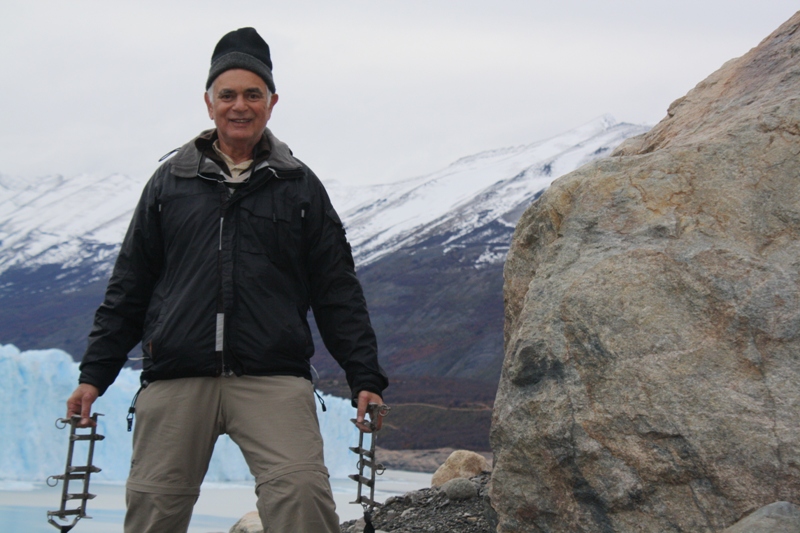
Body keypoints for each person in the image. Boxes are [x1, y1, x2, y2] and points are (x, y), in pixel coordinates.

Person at [66, 27, 388, 533]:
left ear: (272, 102)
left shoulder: (300, 186)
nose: (240, 106)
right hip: (177, 375)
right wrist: (94, 375)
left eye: (253, 94)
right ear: (209, 101)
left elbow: (336, 290)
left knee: (302, 496)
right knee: (154, 511)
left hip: (272, 376)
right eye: (228, 94)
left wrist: (364, 375)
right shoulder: (170, 183)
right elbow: (130, 286)